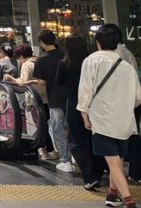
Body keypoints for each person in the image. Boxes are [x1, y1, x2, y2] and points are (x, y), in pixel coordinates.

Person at [78, 24, 141, 208]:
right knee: (118, 159)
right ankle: (112, 195)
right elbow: (137, 97)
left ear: (97, 42)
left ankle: (129, 201)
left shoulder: (91, 61)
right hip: (124, 120)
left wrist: (84, 113)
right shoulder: (127, 66)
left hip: (102, 118)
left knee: (113, 161)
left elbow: (85, 90)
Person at [55, 34, 107, 190]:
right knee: (95, 139)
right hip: (95, 105)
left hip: (74, 105)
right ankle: (98, 173)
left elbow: (59, 82)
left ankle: (89, 176)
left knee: (77, 142)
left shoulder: (64, 64)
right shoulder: (92, 62)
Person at [4, 42, 54, 160]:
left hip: (34, 99)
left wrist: (10, 78)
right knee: (46, 123)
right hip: (46, 97)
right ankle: (51, 149)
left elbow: (23, 82)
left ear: (21, 55)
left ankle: (45, 150)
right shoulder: (38, 61)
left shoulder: (26, 65)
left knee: (40, 126)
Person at [32, 28, 73, 172]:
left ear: (42, 42)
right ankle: (76, 157)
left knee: (57, 128)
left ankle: (65, 160)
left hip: (54, 98)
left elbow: (42, 81)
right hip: (70, 97)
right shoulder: (65, 54)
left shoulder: (42, 59)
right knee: (72, 127)